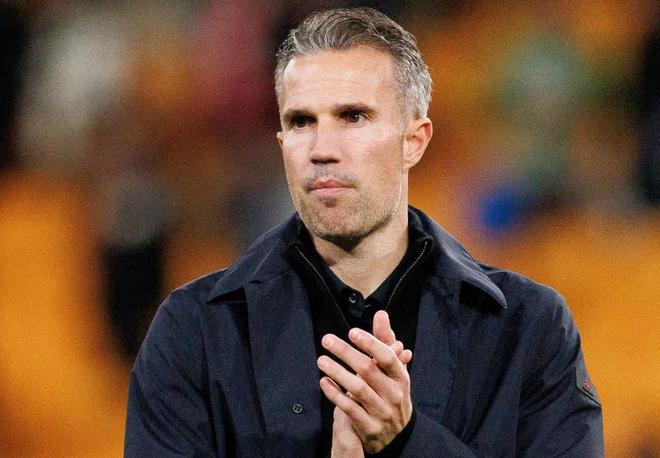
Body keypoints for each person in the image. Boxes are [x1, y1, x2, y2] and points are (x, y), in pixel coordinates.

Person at [124, 7, 603, 457]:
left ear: (414, 141)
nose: (322, 148)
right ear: (282, 142)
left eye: (353, 117)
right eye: (301, 121)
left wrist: (408, 442)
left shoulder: (529, 329)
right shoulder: (195, 332)